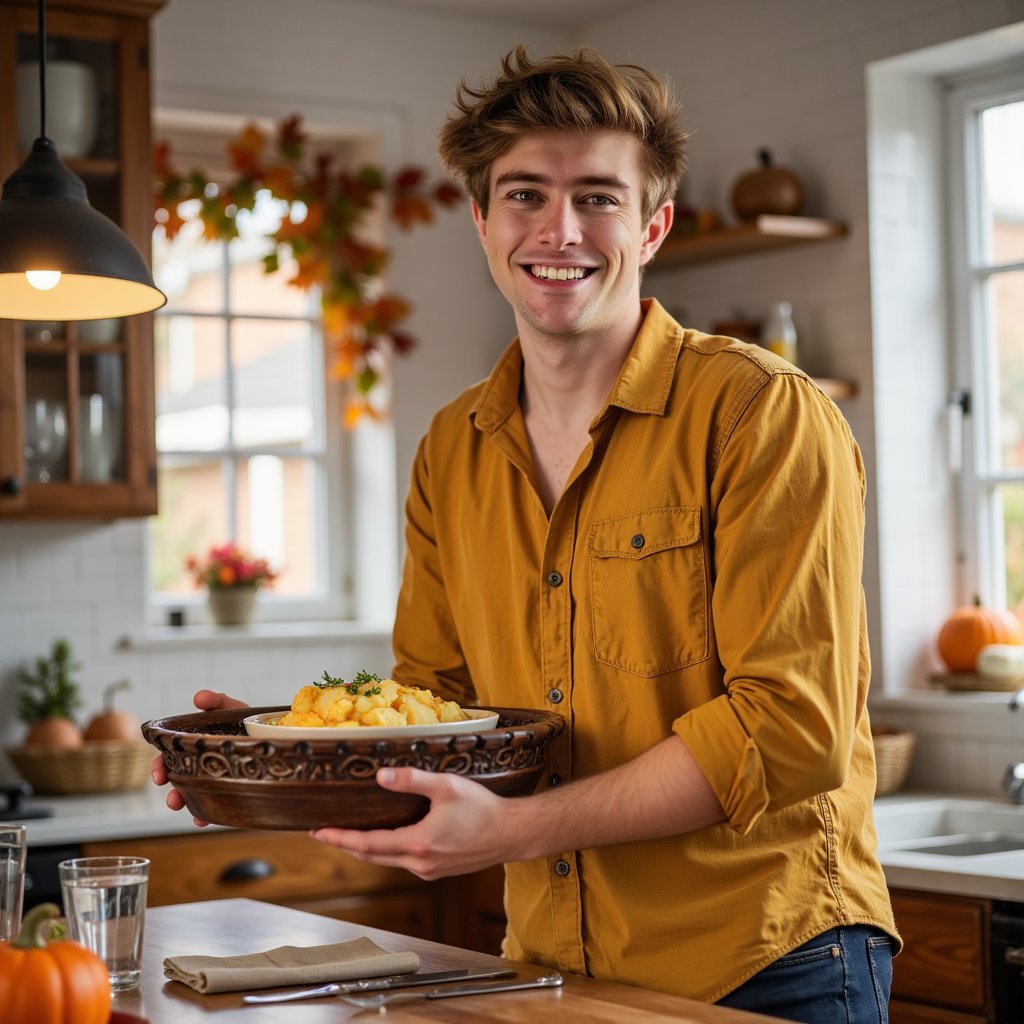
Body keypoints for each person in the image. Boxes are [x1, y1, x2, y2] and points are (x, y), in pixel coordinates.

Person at [154, 46, 899, 1022]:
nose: (559, 230)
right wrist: (266, 755)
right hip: (555, 964)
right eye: (524, 196)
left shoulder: (760, 414)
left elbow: (788, 731)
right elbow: (443, 711)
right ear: (481, 221)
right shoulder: (451, 449)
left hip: (768, 958)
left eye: (597, 197)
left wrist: (514, 829)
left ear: (653, 224)